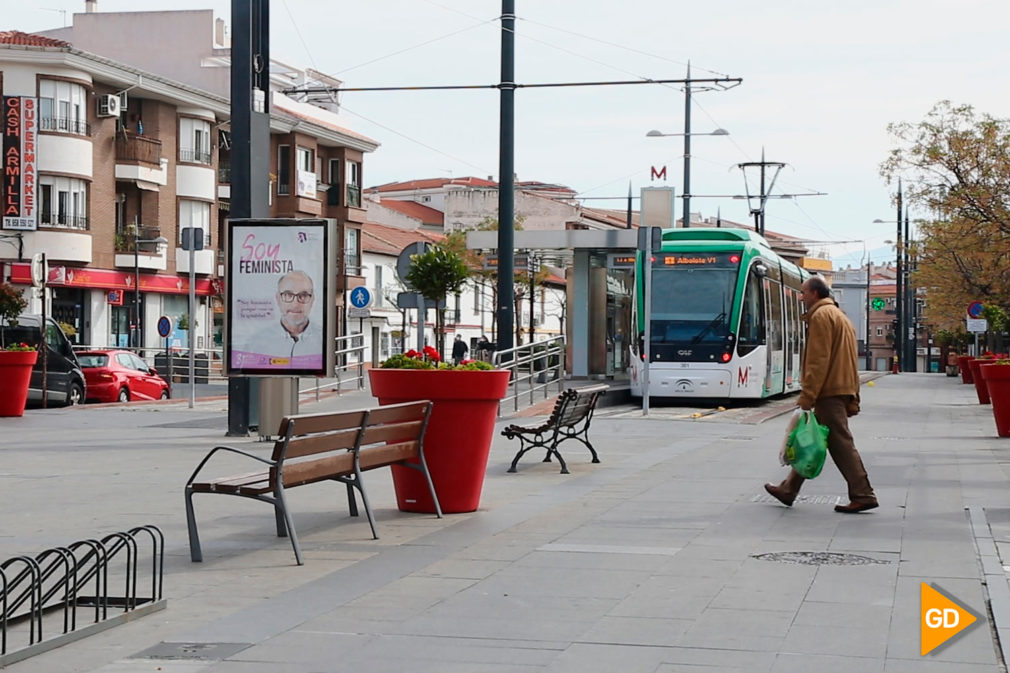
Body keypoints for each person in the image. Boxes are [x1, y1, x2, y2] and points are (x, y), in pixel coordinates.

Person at [765, 275, 878, 513]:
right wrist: (853, 395)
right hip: (840, 386)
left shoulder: (820, 316)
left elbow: (818, 360)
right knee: (814, 439)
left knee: (840, 443)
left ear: (815, 294)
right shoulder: (840, 316)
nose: (801, 297)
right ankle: (788, 489)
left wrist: (808, 395)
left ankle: (863, 494)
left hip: (829, 389)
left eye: (804, 293)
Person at [237, 270, 323, 368]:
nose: (295, 304)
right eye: (288, 295)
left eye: (303, 296)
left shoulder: (323, 340)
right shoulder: (256, 343)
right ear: (278, 299)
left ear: (312, 300)